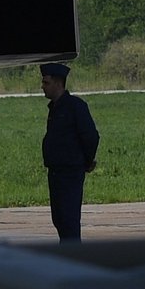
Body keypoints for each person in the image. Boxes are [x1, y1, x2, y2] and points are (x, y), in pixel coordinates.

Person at [38, 61, 99, 243]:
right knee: (59, 219)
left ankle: (73, 255)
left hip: (70, 172)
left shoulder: (75, 106)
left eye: (46, 83)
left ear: (58, 83)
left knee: (69, 219)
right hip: (56, 172)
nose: (43, 87)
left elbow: (90, 136)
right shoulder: (55, 108)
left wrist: (86, 161)